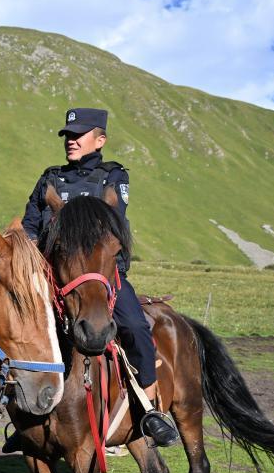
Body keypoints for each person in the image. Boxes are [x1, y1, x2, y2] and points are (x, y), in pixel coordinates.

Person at [17, 107, 178, 449]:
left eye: (79, 135)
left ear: (100, 140)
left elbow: (110, 219)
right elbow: (30, 226)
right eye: (68, 136)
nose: (71, 141)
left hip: (101, 276)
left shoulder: (113, 177)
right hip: (55, 277)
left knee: (134, 326)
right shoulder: (50, 178)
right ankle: (21, 414)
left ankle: (150, 408)